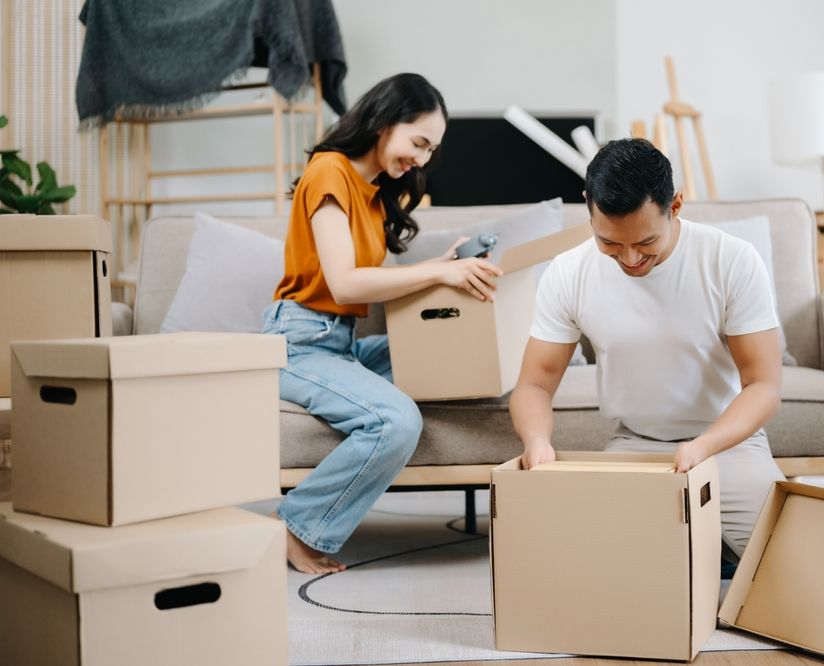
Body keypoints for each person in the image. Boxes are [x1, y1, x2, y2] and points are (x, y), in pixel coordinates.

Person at [261, 73, 503, 574]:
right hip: (299, 343)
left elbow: (373, 281)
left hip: (341, 345)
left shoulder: (374, 195)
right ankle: (295, 525)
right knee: (396, 421)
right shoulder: (329, 171)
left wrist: (444, 272)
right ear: (383, 121)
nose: (423, 160)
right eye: (419, 143)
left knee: (443, 347)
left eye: (432, 150)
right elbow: (346, 285)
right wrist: (437, 269)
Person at [510, 138, 785, 560]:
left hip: (728, 445)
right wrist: (537, 442)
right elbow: (534, 385)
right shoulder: (568, 273)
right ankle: (703, 552)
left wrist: (704, 446)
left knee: (784, 567)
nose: (631, 258)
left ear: (675, 206)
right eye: (611, 244)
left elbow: (764, 384)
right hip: (635, 445)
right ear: (588, 205)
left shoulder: (731, 260)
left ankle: (714, 550)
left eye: (645, 242)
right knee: (601, 568)